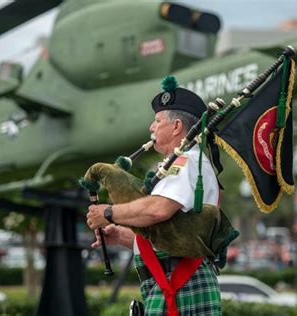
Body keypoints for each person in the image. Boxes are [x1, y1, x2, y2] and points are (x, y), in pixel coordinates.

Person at [86, 77, 222, 315]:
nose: (151, 126)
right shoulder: (179, 164)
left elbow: (158, 210)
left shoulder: (187, 161)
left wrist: (109, 213)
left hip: (181, 285)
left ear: (177, 126)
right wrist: (121, 236)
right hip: (170, 285)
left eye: (158, 120)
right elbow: (167, 238)